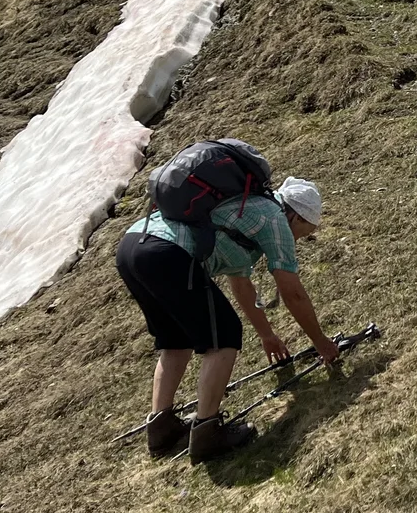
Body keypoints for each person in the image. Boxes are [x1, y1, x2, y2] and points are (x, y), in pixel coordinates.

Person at [117, 174, 339, 463]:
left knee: (175, 341)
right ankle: (207, 432)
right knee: (224, 338)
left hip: (133, 245)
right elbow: (292, 293)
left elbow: (242, 284)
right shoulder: (275, 220)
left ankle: (161, 429)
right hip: (168, 252)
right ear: (295, 216)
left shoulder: (245, 210)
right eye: (305, 231)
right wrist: (321, 342)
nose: (301, 238)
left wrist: (267, 335)